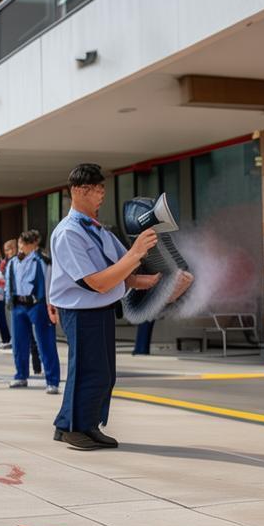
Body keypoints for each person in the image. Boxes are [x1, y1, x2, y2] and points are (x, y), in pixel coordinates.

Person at [48, 163, 159, 450]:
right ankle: (76, 428)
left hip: (99, 310)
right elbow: (95, 282)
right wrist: (135, 253)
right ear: (79, 191)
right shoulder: (69, 232)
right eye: (97, 190)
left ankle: (78, 424)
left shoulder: (97, 229)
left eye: (102, 190)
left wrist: (150, 280)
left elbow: (123, 270)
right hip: (82, 311)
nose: (101, 196)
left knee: (103, 373)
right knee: (90, 371)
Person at [6, 230, 60, 393]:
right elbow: (9, 282)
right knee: (19, 343)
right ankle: (21, 375)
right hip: (18, 305)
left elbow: (49, 284)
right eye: (20, 242)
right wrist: (8, 300)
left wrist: (51, 306)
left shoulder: (43, 261)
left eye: (25, 243)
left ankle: (52, 381)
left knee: (45, 342)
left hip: (37, 304)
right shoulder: (13, 262)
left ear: (34, 244)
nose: (21, 246)